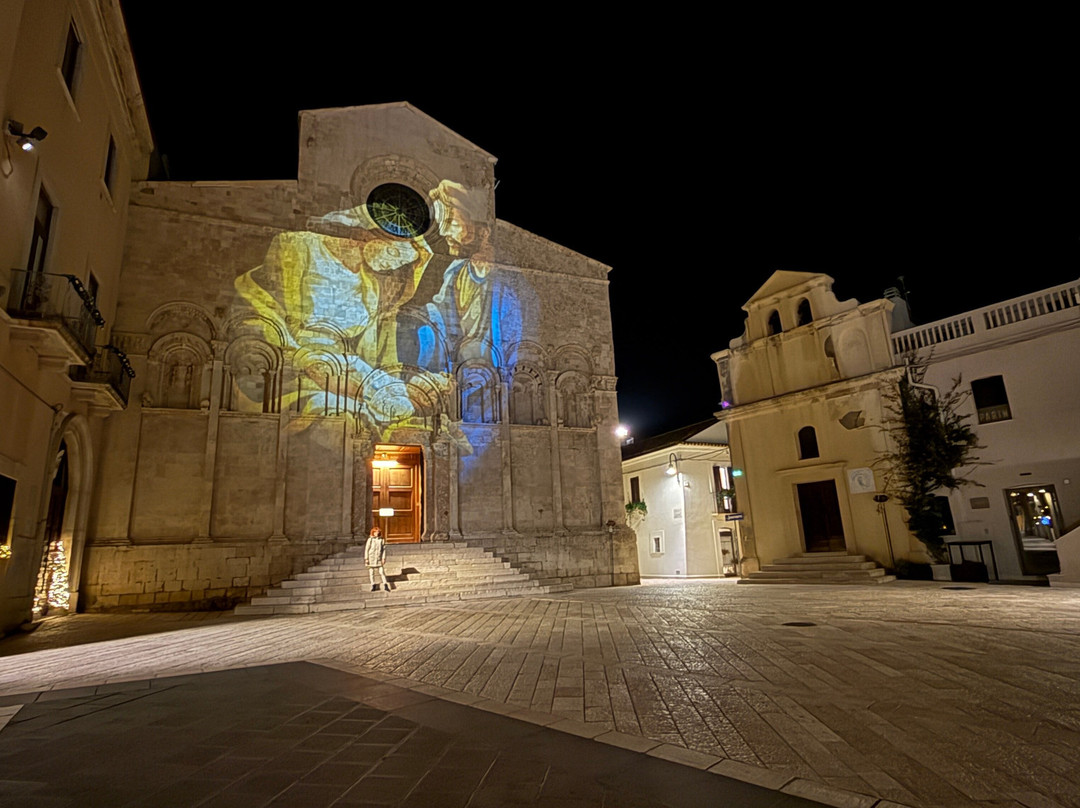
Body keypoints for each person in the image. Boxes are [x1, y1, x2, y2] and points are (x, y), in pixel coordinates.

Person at [365, 526, 389, 592]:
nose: (377, 533)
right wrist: (366, 558)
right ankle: (373, 584)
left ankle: (385, 584)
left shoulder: (381, 540)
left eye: (378, 532)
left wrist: (383, 558)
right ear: (373, 532)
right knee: (371, 572)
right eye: (375, 532)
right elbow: (367, 549)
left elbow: (384, 550)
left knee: (382, 572)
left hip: (378, 558)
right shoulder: (370, 539)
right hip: (371, 558)